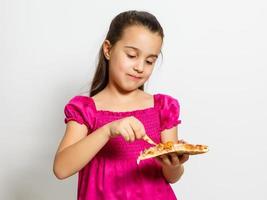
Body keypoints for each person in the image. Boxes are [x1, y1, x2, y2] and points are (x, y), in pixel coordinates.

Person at [53, 10, 189, 200]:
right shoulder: (86, 110)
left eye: (150, 61)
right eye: (132, 55)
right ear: (108, 50)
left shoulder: (162, 107)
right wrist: (107, 131)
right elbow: (61, 169)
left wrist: (173, 164)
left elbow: (172, 177)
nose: (140, 67)